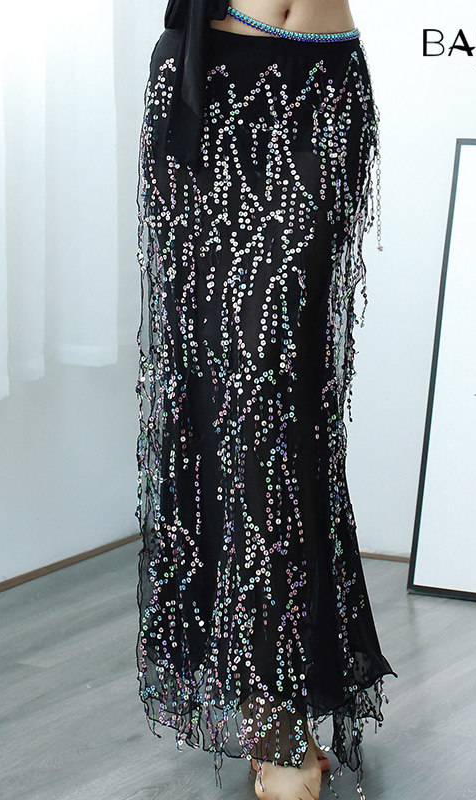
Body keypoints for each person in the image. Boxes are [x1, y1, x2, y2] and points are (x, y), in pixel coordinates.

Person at [134, 2, 398, 799]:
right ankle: (273, 715)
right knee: (235, 410)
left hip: (319, 88)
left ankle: (279, 692)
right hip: (213, 84)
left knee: (286, 412)